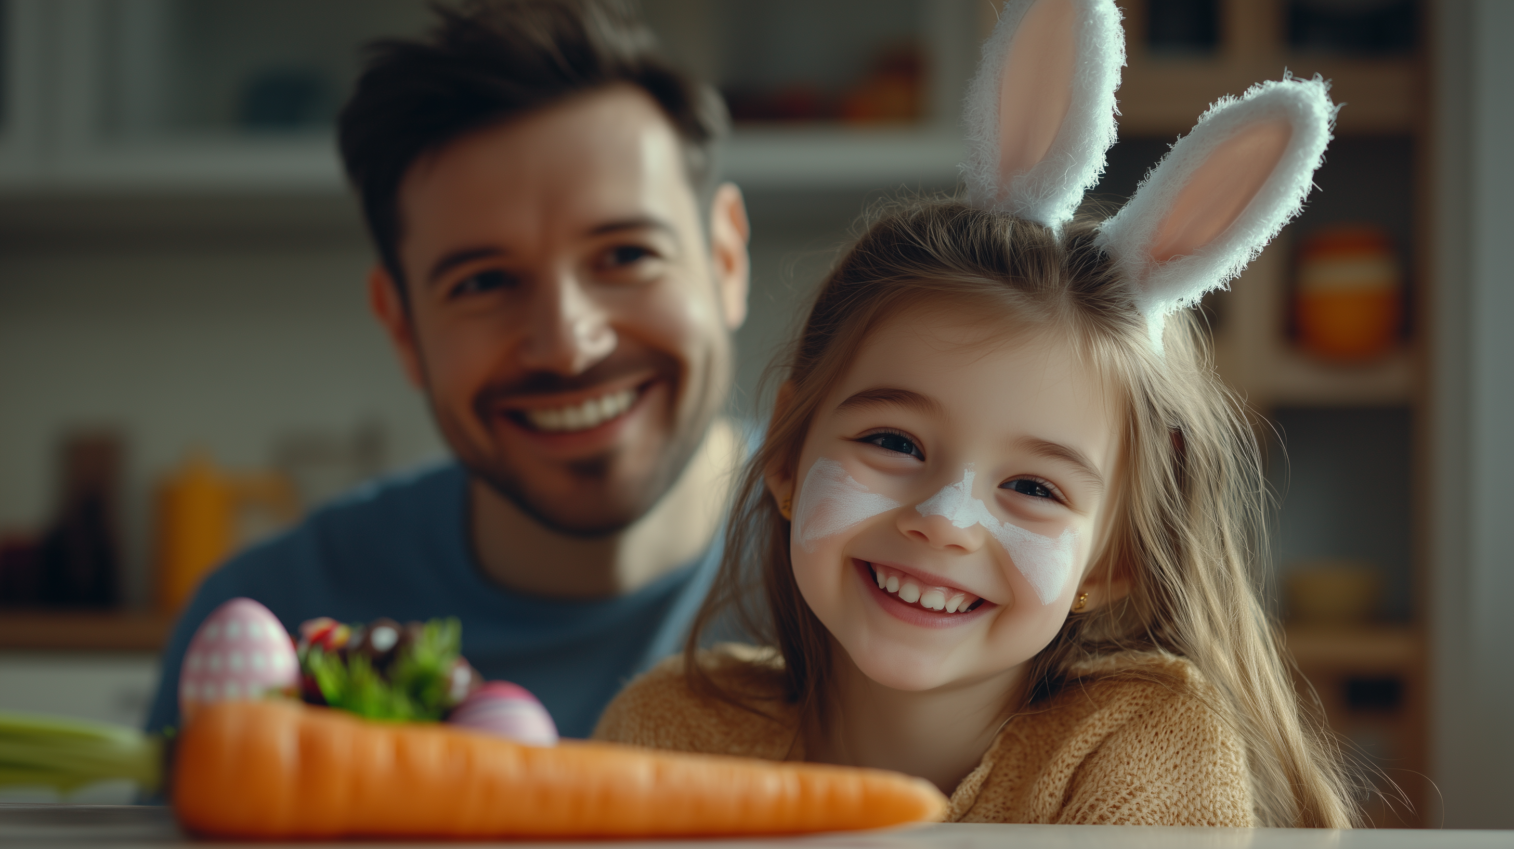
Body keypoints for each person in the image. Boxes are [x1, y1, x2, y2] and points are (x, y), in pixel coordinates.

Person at [594, 0, 1357, 827]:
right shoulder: (664, 732)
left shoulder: (1146, 745)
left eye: (1033, 486)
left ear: (1111, 563)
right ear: (785, 454)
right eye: (893, 441)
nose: (945, 519)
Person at [145, 0, 752, 741]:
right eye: (483, 282)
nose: (566, 344)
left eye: (626, 255)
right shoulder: (273, 617)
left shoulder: (894, 584)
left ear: (725, 260)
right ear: (400, 325)